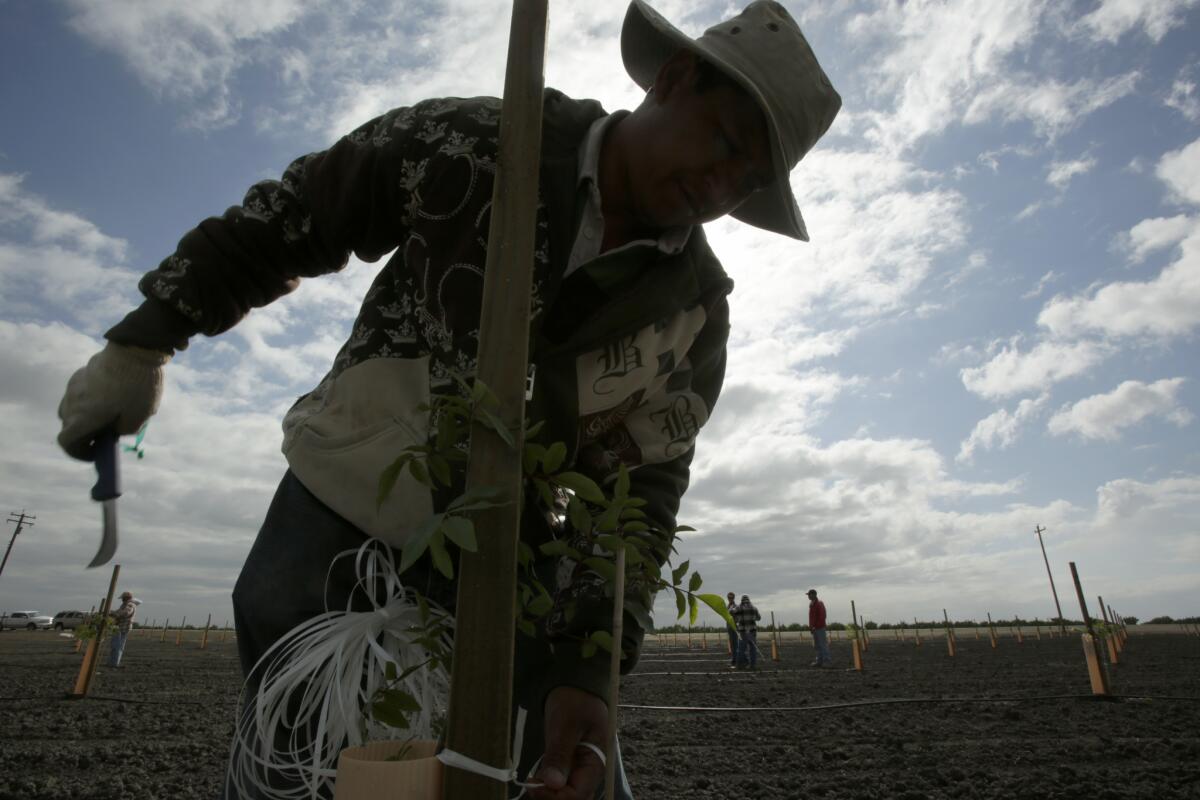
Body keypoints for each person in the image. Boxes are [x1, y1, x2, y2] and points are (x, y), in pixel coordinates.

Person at [54, 2, 840, 797]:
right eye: (727, 143)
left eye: (749, 180)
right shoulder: (475, 146)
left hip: (510, 572)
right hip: (340, 515)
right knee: (298, 766)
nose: (722, 187)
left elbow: (643, 486)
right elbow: (297, 214)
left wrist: (585, 665)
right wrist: (143, 342)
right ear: (673, 79)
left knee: (543, 775)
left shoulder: (693, 314)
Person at [107, 591, 136, 667]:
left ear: (126, 598)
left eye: (123, 598)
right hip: (120, 627)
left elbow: (125, 613)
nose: (122, 600)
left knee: (117, 645)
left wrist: (113, 614)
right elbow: (119, 611)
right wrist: (112, 612)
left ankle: (114, 663)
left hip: (123, 627)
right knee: (116, 645)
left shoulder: (130, 605)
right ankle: (113, 662)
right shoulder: (124, 605)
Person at [733, 594, 761, 669]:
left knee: (741, 649)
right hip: (752, 631)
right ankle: (753, 665)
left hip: (743, 632)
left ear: (742, 600)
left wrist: (736, 618)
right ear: (749, 600)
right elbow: (759, 618)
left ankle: (740, 665)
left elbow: (730, 612)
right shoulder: (754, 608)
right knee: (752, 649)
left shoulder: (738, 608)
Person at [807, 588, 832, 667]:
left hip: (819, 628)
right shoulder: (811, 604)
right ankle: (819, 661)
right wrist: (811, 627)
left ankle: (827, 661)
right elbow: (812, 617)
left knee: (823, 645)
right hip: (815, 628)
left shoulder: (819, 604)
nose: (808, 596)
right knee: (817, 645)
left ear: (814, 595)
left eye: (809, 594)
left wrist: (815, 626)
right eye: (808, 595)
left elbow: (822, 616)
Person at [725, 591, 739, 668]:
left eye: (731, 597)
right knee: (732, 645)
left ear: (733, 598)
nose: (729, 599)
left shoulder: (735, 606)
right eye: (728, 597)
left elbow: (731, 614)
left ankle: (735, 661)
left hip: (734, 628)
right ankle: (734, 660)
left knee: (735, 645)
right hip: (729, 628)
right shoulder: (728, 606)